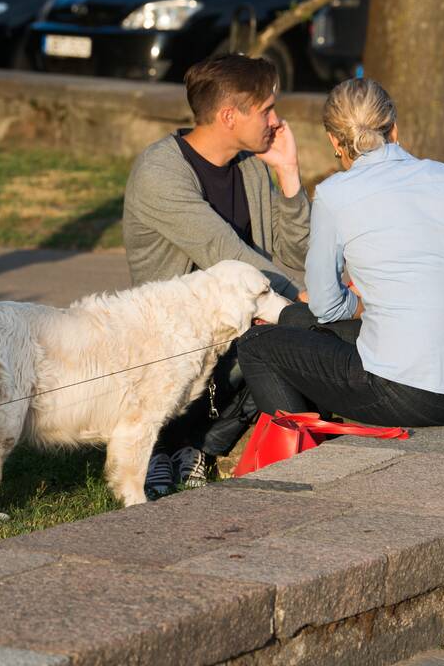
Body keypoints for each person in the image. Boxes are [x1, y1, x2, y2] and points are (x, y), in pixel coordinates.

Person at [236, 78, 444, 427]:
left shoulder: (334, 194)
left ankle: (298, 463)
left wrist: (362, 305)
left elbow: (327, 306)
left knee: (256, 344)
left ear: (334, 141)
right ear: (394, 128)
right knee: (297, 320)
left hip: (401, 392)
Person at [122, 54, 311, 497]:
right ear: (230, 117)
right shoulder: (161, 173)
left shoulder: (249, 166)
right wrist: (299, 308)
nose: (276, 120)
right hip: (168, 343)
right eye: (266, 109)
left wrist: (288, 173)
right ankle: (160, 448)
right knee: (298, 334)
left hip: (233, 331)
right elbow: (229, 257)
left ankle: (201, 446)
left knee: (291, 341)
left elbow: (296, 251)